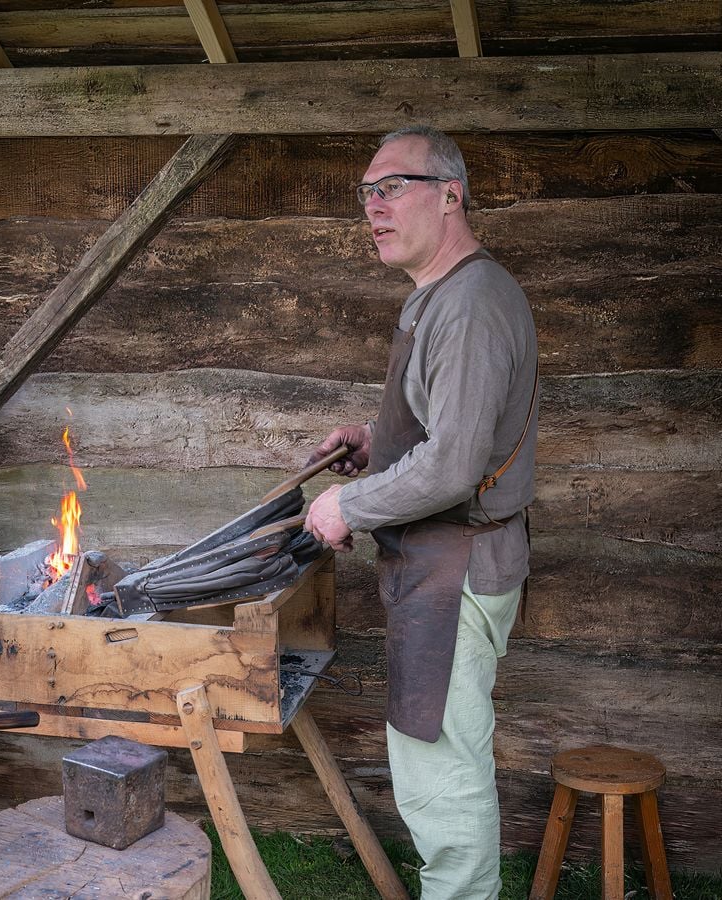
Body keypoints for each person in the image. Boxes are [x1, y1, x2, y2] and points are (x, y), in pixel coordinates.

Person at [303, 125, 538, 899]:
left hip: (455, 569)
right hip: (444, 562)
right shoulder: (445, 293)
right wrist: (377, 440)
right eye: (366, 193)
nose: (373, 207)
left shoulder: (468, 304)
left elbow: (456, 462)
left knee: (443, 772)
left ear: (450, 195)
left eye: (391, 187)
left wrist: (351, 505)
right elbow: (450, 425)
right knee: (440, 756)